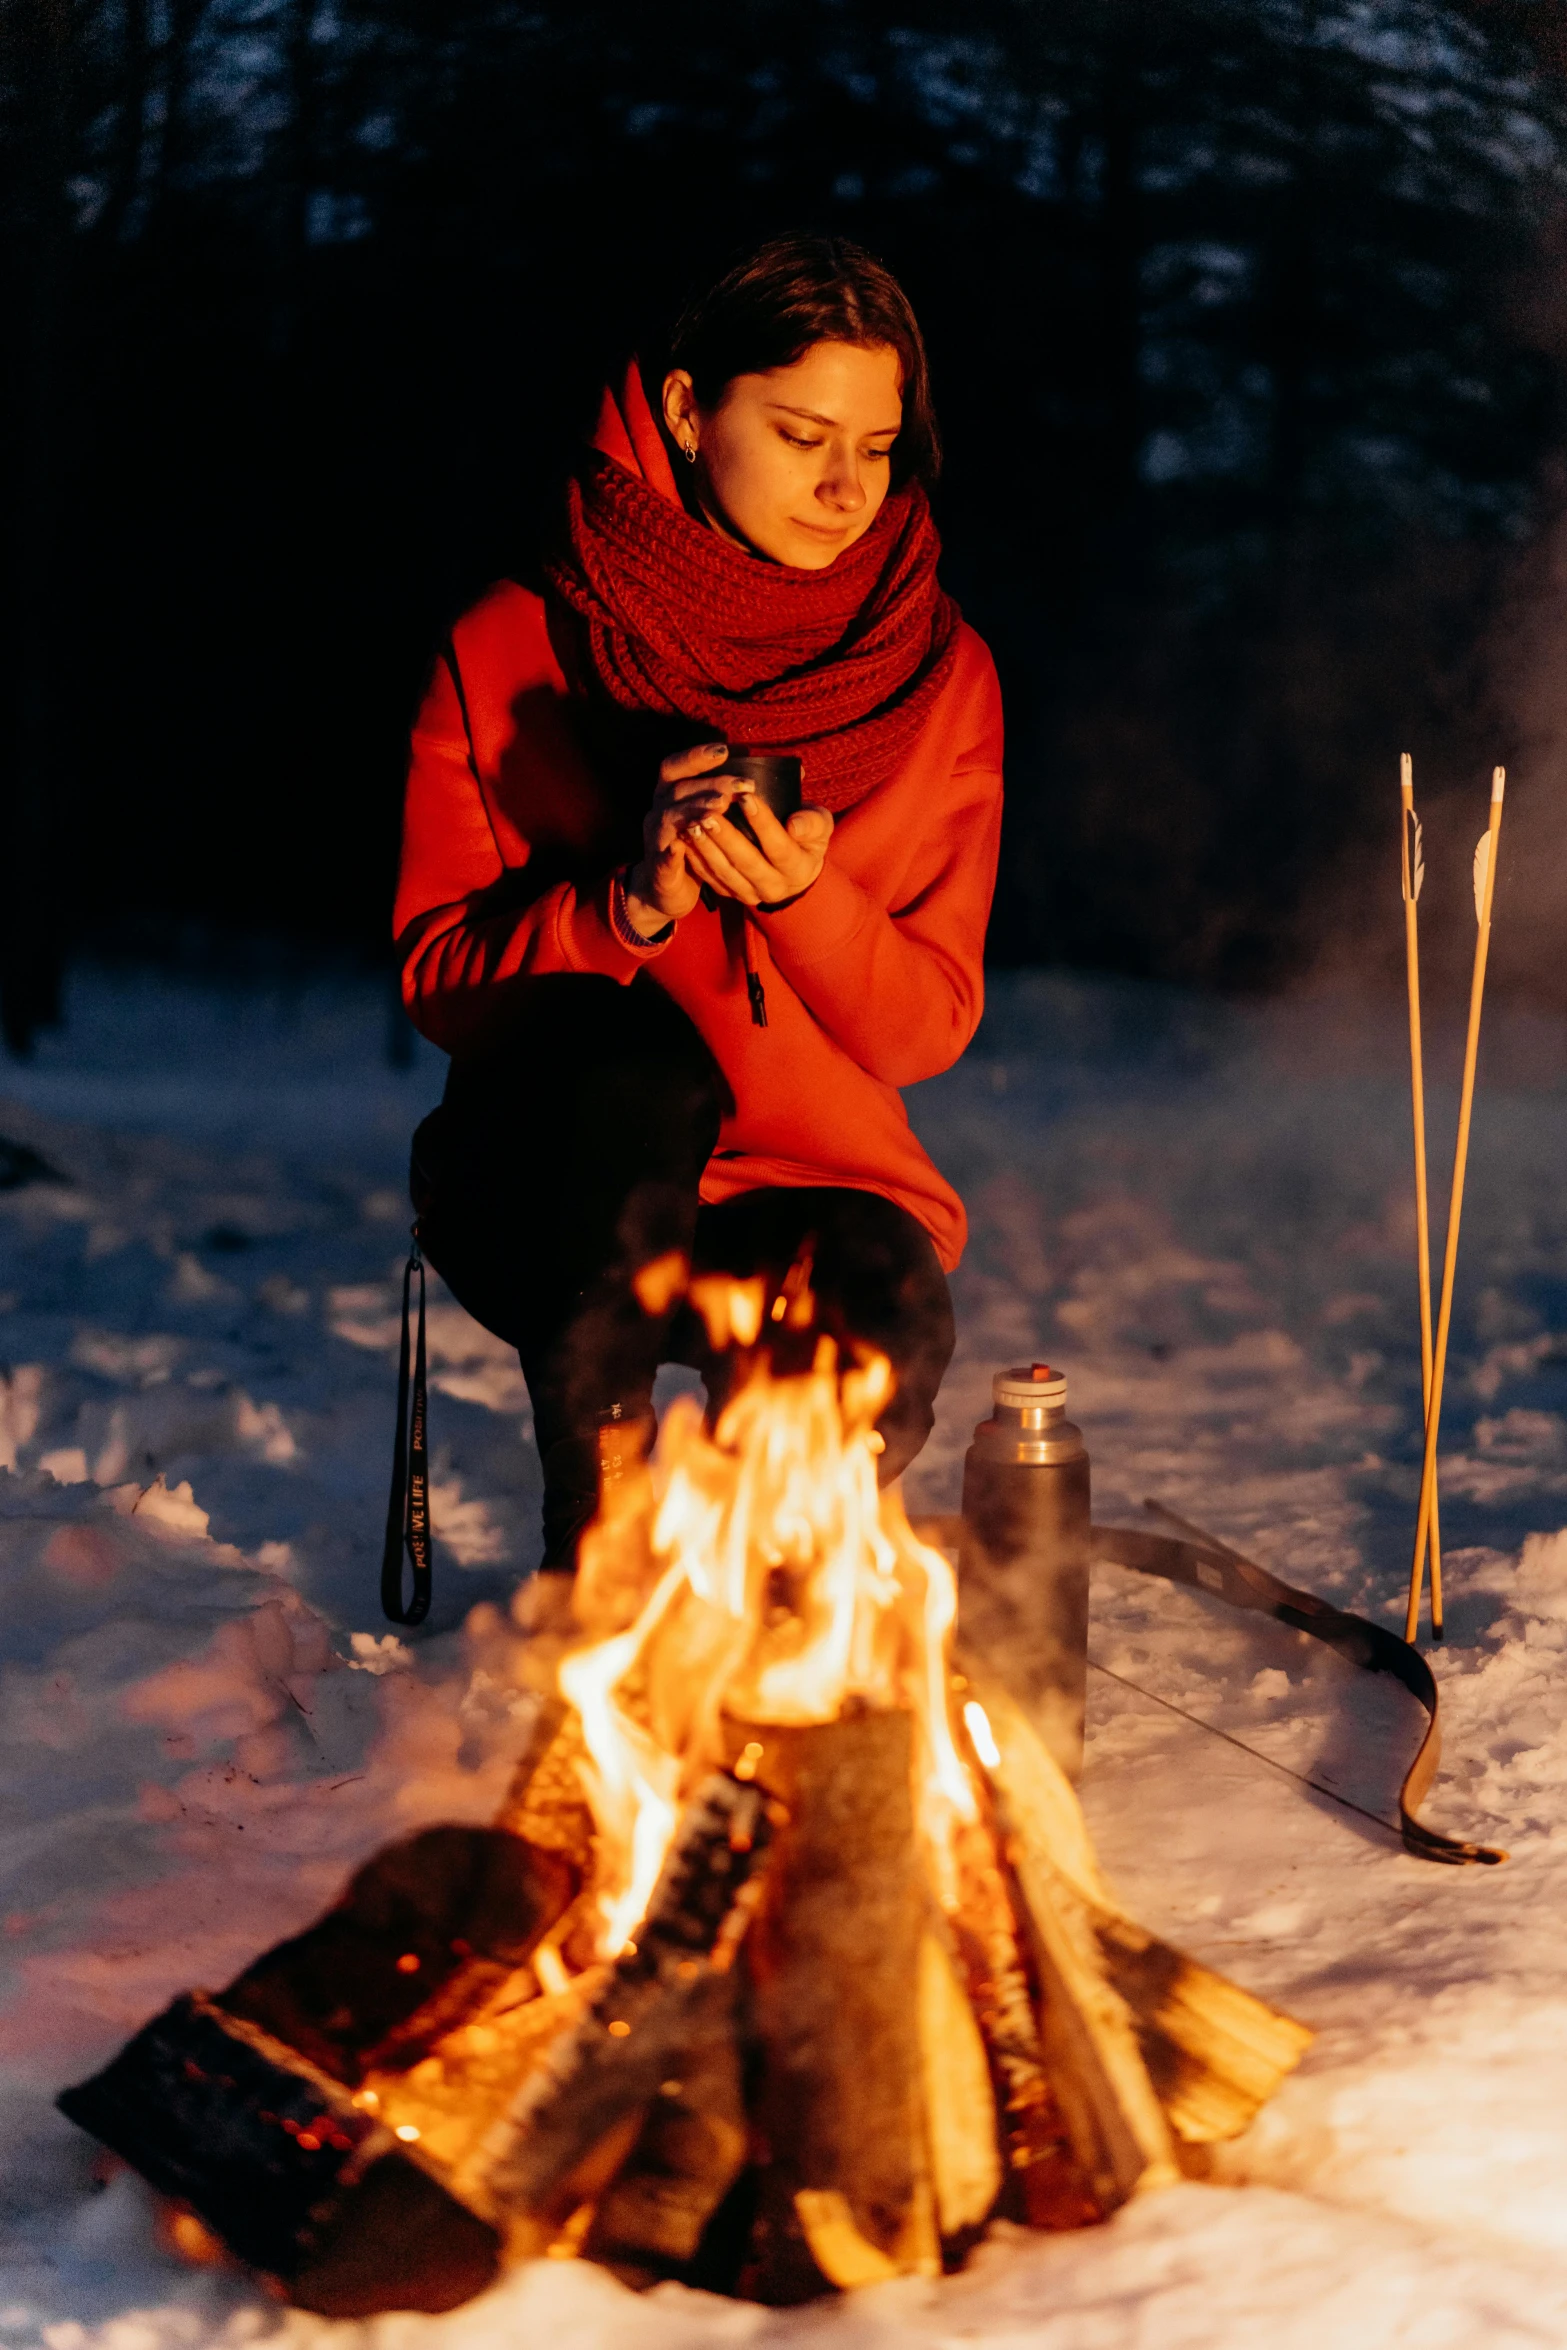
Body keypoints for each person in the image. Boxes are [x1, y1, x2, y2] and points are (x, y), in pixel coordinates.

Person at [394, 232, 1003, 1579]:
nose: (845, 485)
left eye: (879, 445)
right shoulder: (513, 640)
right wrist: (627, 900)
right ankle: (596, 1579)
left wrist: (808, 901)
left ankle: (769, 1606)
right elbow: (438, 977)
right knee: (639, 1071)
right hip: (554, 1186)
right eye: (799, 434)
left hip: (799, 1184)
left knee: (880, 1305)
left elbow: (924, 1027)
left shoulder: (941, 675)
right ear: (686, 408)